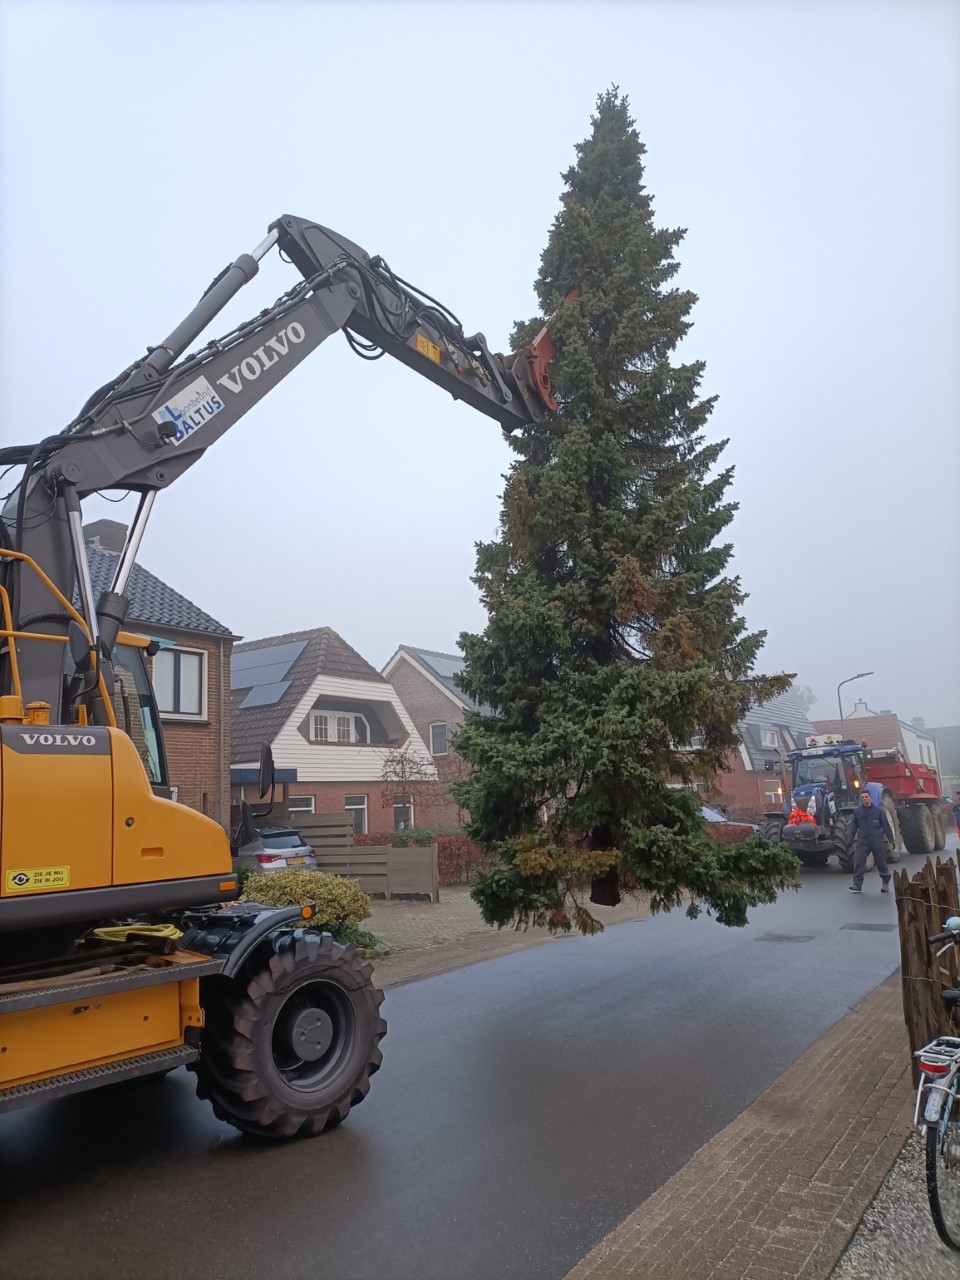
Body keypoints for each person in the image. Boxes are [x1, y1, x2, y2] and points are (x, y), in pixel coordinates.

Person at [848, 789, 895, 894]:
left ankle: (885, 882)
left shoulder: (879, 811)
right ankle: (857, 884)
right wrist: (849, 839)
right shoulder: (858, 812)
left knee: (881, 862)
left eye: (866, 797)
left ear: (870, 798)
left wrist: (891, 840)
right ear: (861, 799)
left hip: (876, 841)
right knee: (858, 862)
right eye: (863, 797)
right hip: (863, 841)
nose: (865, 799)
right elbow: (852, 827)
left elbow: (886, 827)